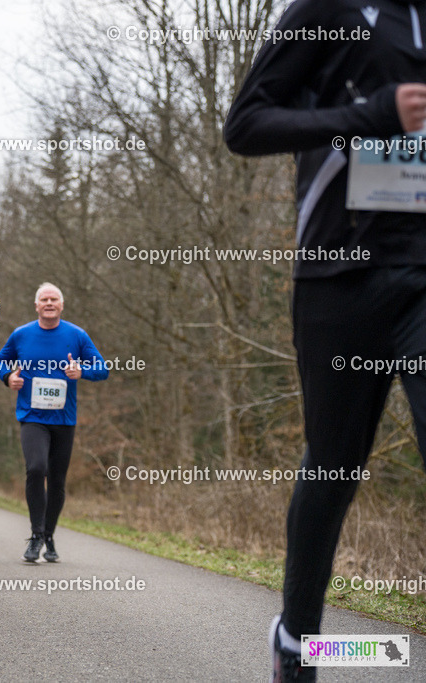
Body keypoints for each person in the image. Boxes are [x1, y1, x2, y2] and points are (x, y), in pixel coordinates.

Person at [224, 3, 426, 680]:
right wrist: (365, 117)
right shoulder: (329, 9)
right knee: (334, 465)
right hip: (342, 271)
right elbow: (246, 124)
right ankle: (297, 639)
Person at [0, 283, 108, 563]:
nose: (48, 303)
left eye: (53, 299)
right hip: (32, 417)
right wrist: (9, 377)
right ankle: (35, 536)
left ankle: (49, 535)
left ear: (61, 305)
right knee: (36, 469)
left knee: (56, 481)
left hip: (64, 419)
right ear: (36, 306)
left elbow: (102, 369)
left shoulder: (77, 335)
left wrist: (81, 371)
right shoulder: (21, 335)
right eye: (44, 299)